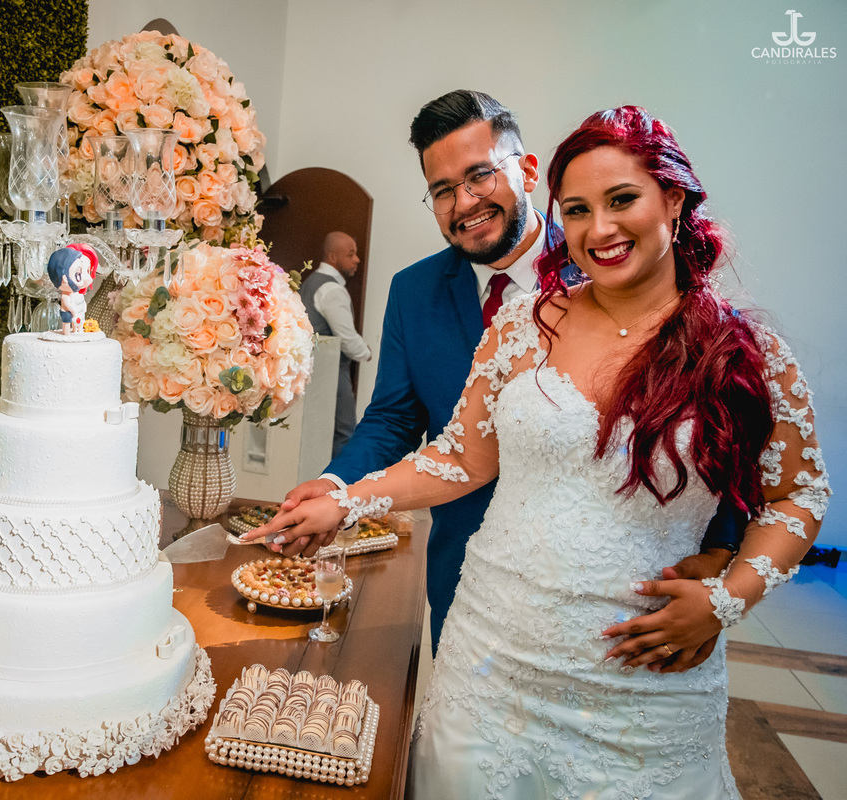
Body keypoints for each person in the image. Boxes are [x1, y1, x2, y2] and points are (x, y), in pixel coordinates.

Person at [251, 105, 828, 798]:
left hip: (643, 683)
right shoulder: (525, 324)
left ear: (673, 198)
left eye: (622, 200)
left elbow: (797, 493)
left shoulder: (745, 353)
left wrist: (727, 595)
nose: (599, 229)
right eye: (578, 210)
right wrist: (344, 497)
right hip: (490, 657)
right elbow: (460, 456)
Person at [271, 90, 741, 664]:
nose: (464, 203)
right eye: (443, 190)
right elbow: (394, 417)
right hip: (466, 574)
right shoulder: (413, 291)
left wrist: (721, 557)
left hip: (624, 598)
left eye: (479, 176)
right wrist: (336, 485)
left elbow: (723, 430)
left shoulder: (614, 263)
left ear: (528, 171)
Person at [299, 232, 373, 457]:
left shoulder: (311, 282)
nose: (357, 260)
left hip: (310, 371)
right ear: (332, 257)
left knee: (314, 433)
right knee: (345, 431)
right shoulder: (332, 290)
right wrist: (366, 352)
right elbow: (347, 338)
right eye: (350, 254)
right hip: (332, 371)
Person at [46, 243, 98, 334]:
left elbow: (81, 301)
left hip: (79, 310)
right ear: (64, 278)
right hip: (69, 312)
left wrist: (83, 307)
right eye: (78, 274)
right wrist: (73, 311)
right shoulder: (66, 295)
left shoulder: (78, 294)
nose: (87, 278)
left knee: (79, 322)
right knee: (67, 322)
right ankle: (67, 333)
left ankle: (78, 331)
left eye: (88, 271)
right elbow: (67, 304)